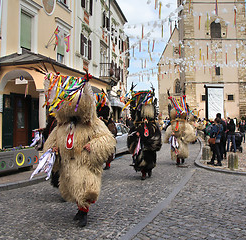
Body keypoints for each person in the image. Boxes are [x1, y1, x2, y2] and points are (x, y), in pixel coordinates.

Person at [43, 73, 116, 227]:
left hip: (84, 163)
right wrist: (53, 150)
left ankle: (83, 213)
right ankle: (80, 210)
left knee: (84, 188)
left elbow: (107, 139)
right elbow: (50, 143)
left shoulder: (92, 124)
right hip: (68, 164)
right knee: (72, 188)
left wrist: (93, 146)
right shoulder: (60, 127)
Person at [126, 88, 162, 180]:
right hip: (140, 134)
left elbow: (154, 118)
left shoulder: (151, 110)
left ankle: (149, 168)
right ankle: (143, 172)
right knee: (140, 154)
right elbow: (134, 119)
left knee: (150, 155)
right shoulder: (138, 109)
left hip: (149, 134)